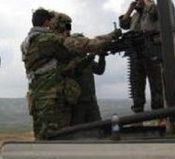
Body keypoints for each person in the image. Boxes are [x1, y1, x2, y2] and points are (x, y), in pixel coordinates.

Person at [21, 9, 121, 140]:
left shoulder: (27, 43)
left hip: (38, 100)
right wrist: (111, 36)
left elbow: (62, 66)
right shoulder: (47, 39)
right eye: (52, 22)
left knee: (42, 138)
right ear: (46, 22)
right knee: (58, 139)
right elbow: (85, 44)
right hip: (52, 102)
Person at [119, 0, 164, 124]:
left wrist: (148, 2)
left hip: (151, 51)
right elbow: (124, 24)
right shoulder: (136, 15)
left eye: (141, 0)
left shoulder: (153, 9)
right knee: (137, 85)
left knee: (156, 85)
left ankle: (160, 118)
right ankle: (138, 118)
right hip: (136, 53)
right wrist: (130, 8)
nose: (139, 3)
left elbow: (156, 12)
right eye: (138, 1)